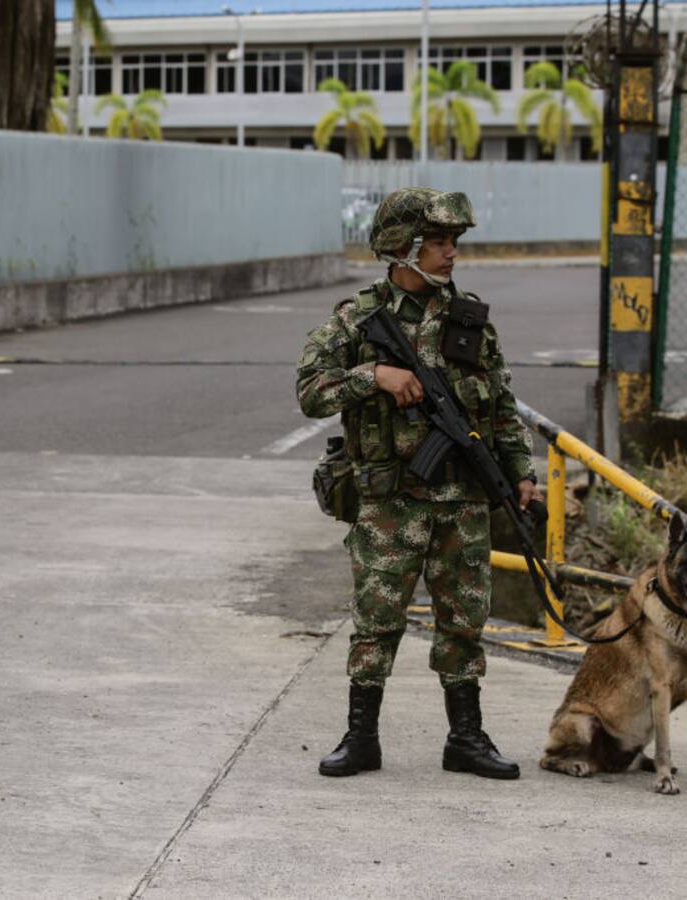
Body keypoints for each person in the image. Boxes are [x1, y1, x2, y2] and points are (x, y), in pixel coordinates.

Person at [296, 187, 541, 780]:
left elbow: (502, 406)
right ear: (403, 249)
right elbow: (310, 391)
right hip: (390, 503)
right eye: (437, 243)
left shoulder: (471, 319)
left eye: (453, 242)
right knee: (377, 621)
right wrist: (373, 376)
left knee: (465, 623)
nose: (450, 253)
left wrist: (522, 473)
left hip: (463, 502)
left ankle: (466, 739)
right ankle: (361, 739)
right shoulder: (358, 319)